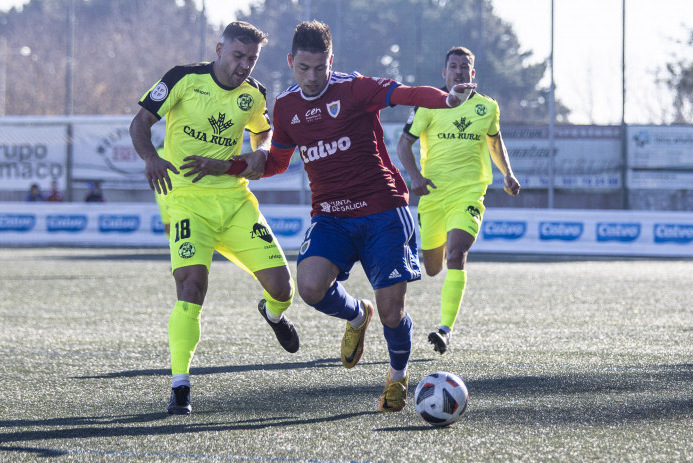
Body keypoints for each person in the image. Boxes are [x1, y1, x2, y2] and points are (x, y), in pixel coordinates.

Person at [227, 21, 474, 413]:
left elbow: (406, 92)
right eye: (303, 68)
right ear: (291, 62)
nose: (312, 77)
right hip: (332, 216)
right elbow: (276, 161)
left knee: (394, 312)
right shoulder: (286, 107)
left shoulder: (354, 88)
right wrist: (242, 164)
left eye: (320, 68)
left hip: (382, 212)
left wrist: (446, 100)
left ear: (331, 61)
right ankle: (358, 315)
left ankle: (397, 377)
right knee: (308, 288)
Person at [129, 21, 299, 416]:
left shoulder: (254, 94)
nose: (244, 65)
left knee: (283, 289)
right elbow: (140, 123)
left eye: (252, 59)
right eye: (238, 56)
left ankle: (271, 314)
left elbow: (265, 134)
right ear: (219, 49)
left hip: (236, 202)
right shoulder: (182, 79)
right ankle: (180, 385)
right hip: (186, 201)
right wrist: (151, 157)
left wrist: (262, 149)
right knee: (192, 284)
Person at [397, 47, 521, 355]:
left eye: (465, 66)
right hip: (433, 196)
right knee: (432, 268)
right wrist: (415, 177)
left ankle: (445, 329)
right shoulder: (428, 104)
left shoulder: (487, 108)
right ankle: (432, 264)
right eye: (453, 66)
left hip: (468, 193)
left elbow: (495, 141)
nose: (459, 71)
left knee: (456, 254)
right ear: (444, 73)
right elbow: (403, 145)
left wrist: (507, 173)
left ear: (472, 73)